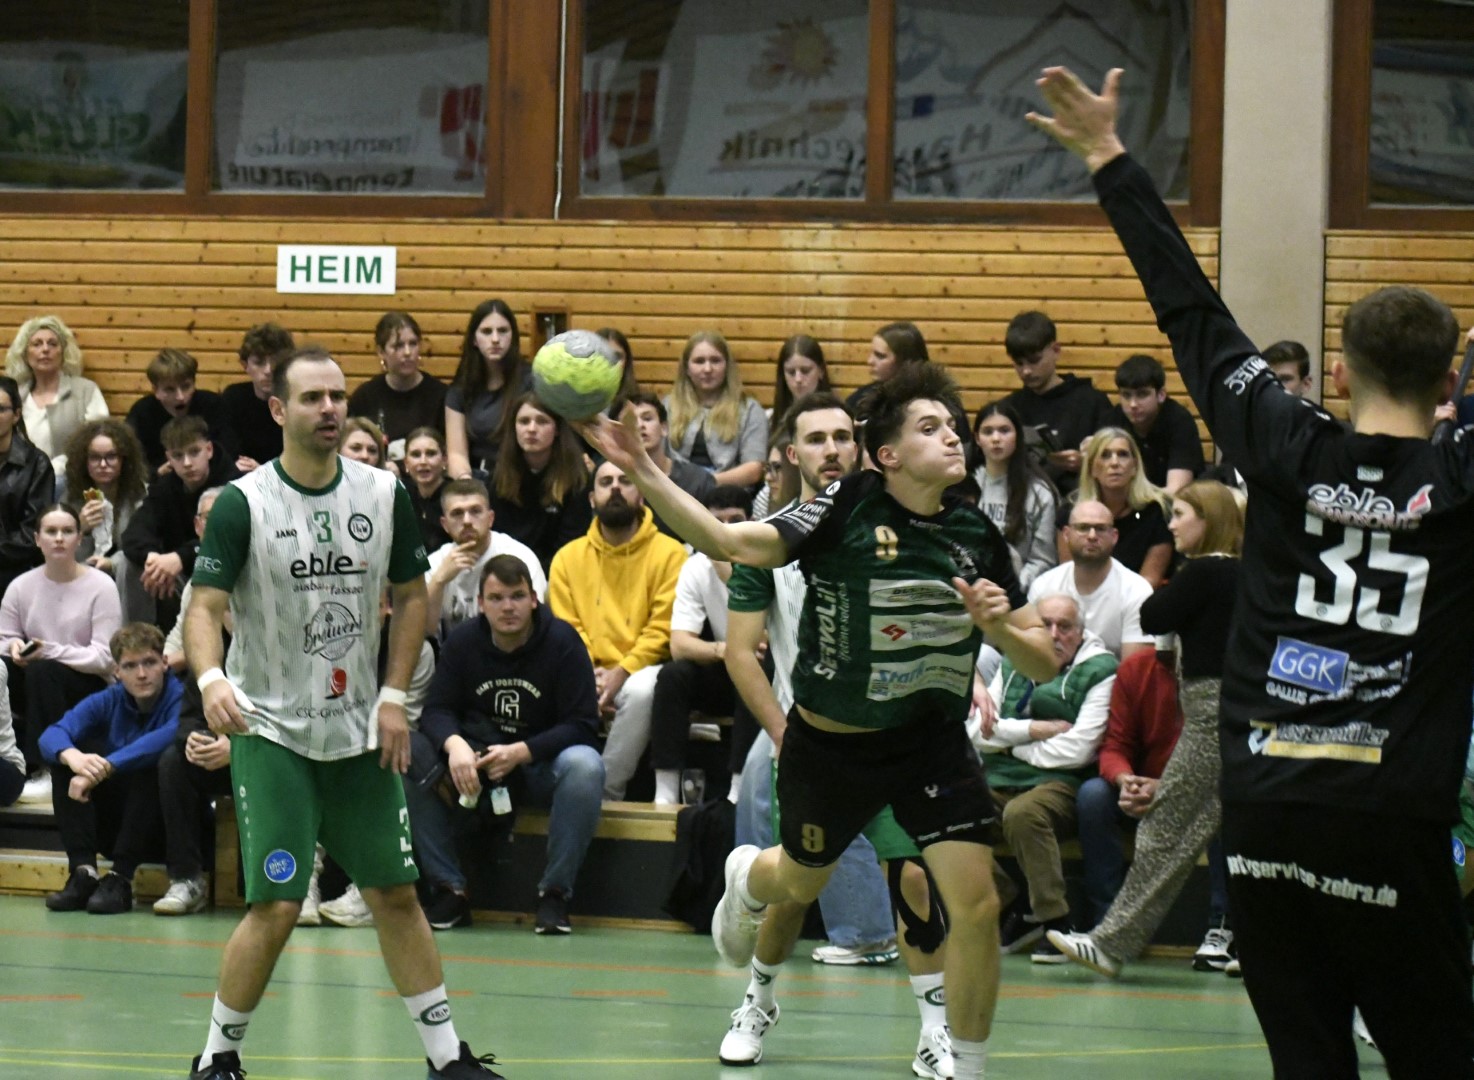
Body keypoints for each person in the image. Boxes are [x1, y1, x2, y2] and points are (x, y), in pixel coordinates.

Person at [1031, 65, 1474, 1075]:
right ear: (1449, 379)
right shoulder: (1457, 480)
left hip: (1267, 808)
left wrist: (1109, 158)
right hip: (1392, 817)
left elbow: (1189, 310)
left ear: (1341, 371)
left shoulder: (1281, 441)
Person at [578, 363, 1058, 1080]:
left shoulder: (974, 533)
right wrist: (645, 469)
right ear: (887, 455)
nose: (953, 437)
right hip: (830, 748)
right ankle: (748, 878)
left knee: (976, 903)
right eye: (930, 427)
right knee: (798, 886)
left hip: (929, 745)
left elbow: (1042, 660)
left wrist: (1000, 630)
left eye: (951, 426)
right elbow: (729, 543)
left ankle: (965, 1063)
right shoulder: (843, 509)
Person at [183, 346, 500, 1079]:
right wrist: (209, 677)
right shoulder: (243, 503)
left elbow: (412, 596)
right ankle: (217, 1060)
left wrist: (393, 697)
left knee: (394, 892)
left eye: (336, 396)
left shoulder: (384, 493)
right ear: (277, 409)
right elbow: (203, 607)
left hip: (359, 731)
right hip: (271, 730)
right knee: (277, 905)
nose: (329, 409)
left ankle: (447, 1060)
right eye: (311, 397)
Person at [1048, 479, 1243, 977]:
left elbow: (1154, 614)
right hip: (1245, 713)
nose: (1171, 526)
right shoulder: (1249, 574)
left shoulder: (1205, 571)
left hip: (1210, 715)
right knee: (1236, 830)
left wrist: (1173, 592)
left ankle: (1111, 942)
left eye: (1179, 515)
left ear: (1208, 521)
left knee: (1164, 829)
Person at [407, 554, 604, 934]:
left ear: (534, 599)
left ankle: (555, 894)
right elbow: (436, 711)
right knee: (406, 755)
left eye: (517, 596)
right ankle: (449, 889)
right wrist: (456, 746)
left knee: (586, 766)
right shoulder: (464, 642)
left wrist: (522, 752)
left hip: (538, 765)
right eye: (497, 598)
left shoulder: (563, 642)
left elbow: (583, 724)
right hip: (476, 766)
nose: (508, 607)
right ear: (481, 604)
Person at [978, 594, 1117, 963]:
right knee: (945, 807)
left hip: (1060, 784)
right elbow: (977, 729)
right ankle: (1009, 898)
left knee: (1024, 814)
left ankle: (1056, 921)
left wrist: (1009, 745)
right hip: (998, 780)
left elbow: (1077, 750)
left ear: (1081, 632)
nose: (1054, 635)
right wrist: (1032, 730)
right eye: (1046, 625)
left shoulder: (1101, 670)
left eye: (1065, 627)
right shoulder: (1013, 660)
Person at [548, 459, 687, 802]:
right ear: (591, 499)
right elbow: (567, 628)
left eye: (625, 481)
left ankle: (605, 791)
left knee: (643, 690)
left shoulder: (671, 554)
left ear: (642, 495)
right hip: (585, 671)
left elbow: (663, 628)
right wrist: (590, 677)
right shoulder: (566, 558)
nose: (614, 488)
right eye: (605, 481)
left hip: (639, 670)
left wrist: (621, 672)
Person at [39, 622, 178, 915]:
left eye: (150, 663)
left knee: (155, 763)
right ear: (117, 672)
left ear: (165, 663)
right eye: (130, 666)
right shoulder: (110, 699)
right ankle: (83, 872)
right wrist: (73, 757)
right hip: (117, 825)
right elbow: (52, 734)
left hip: (166, 830)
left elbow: (168, 736)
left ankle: (120, 878)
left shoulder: (181, 697)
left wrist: (107, 766)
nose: (142, 674)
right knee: (66, 762)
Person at [2, 503, 121, 802]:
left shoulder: (101, 585)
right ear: (37, 539)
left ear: (79, 539)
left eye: (67, 531)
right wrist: (14, 647)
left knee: (44, 670)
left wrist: (50, 651)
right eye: (51, 531)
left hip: (90, 683)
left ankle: (48, 767)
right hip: (37, 676)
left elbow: (105, 658)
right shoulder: (20, 586)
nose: (58, 538)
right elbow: (4, 637)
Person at [649, 485, 756, 806]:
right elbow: (680, 645)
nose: (725, 530)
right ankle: (665, 791)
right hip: (726, 664)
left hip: (764, 672)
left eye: (735, 520)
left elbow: (765, 642)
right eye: (716, 522)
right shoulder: (695, 567)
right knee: (673, 675)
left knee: (754, 670)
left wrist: (730, 574)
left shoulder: (771, 562)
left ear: (753, 522)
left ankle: (737, 790)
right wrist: (723, 650)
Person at [120, 415, 240, 631]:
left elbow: (229, 537)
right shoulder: (165, 487)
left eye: (194, 452)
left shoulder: (235, 484)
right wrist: (153, 559)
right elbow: (134, 532)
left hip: (223, 577)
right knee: (129, 563)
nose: (187, 463)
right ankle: (138, 638)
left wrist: (180, 557)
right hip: (174, 578)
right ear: (168, 458)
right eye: (178, 456)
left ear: (209, 450)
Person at [995, 310, 1114, 495]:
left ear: (1056, 350)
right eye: (1019, 363)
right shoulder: (1008, 408)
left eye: (1034, 361)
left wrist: (1088, 463)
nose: (1026, 371)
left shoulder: (1092, 402)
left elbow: (1117, 461)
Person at [1028, 500, 1154, 661]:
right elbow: (1028, 653)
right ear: (1066, 534)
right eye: (1083, 528)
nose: (1092, 536)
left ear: (1114, 536)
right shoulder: (1043, 586)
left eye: (1100, 529)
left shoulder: (1137, 591)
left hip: (1111, 676)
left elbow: (1134, 669)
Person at [425, 478, 546, 639]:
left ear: (490, 519)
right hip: (454, 652)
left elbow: (536, 622)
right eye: (457, 513)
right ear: (445, 524)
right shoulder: (435, 563)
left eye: (475, 511)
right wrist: (439, 581)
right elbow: (423, 631)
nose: (467, 521)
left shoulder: (520, 556)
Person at [487, 393, 592, 574]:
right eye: (524, 421)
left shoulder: (576, 479)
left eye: (542, 421)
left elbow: (571, 545)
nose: (531, 429)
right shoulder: (499, 477)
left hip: (558, 572)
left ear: (557, 429)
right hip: (507, 573)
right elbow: (496, 538)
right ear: (514, 428)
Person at [1060, 427, 1173, 587]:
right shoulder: (1071, 510)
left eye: (1123, 454)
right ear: (1092, 468)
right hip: (1082, 595)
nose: (1114, 463)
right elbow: (1069, 575)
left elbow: (1149, 582)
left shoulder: (1158, 510)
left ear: (1135, 466)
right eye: (1105, 455)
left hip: (1138, 598)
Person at [664, 331, 768, 489]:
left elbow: (754, 469)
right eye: (699, 361)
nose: (707, 369)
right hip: (675, 491)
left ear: (727, 366)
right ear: (686, 368)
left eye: (715, 361)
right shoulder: (667, 406)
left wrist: (704, 484)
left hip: (727, 493)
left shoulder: (750, 410)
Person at [5, 314, 108, 473]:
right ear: (25, 354)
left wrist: (56, 468)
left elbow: (99, 438)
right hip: (21, 477)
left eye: (52, 344)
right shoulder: (14, 395)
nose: (45, 349)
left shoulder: (85, 391)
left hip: (71, 476)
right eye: (37, 344)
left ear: (63, 352)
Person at [972, 401, 1058, 591]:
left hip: (1017, 593)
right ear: (977, 438)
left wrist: (1012, 589)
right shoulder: (964, 486)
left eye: (1004, 431)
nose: (996, 438)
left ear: (1018, 436)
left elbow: (1043, 560)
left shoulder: (1039, 493)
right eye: (988, 432)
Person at [446, 299, 530, 479]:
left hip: (522, 477)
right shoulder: (461, 388)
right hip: (477, 478)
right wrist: (467, 483)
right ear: (474, 340)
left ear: (513, 337)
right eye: (486, 332)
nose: (495, 339)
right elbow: (456, 454)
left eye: (503, 331)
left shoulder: (531, 381)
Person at [348, 311, 448, 461]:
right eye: (398, 346)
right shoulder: (364, 397)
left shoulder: (441, 396)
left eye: (413, 344)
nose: (407, 352)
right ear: (381, 352)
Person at [1106, 353, 1203, 493]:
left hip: (1171, 503)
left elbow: (1177, 490)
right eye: (1126, 395)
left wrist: (1137, 501)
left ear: (1161, 395)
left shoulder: (1179, 420)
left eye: (1142, 394)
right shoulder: (1113, 418)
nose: (1133, 404)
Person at [126, 348, 231, 474]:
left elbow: (229, 449)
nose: (180, 397)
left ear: (194, 384)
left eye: (186, 386)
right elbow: (131, 459)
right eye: (170, 389)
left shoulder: (212, 404)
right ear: (156, 390)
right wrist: (156, 472)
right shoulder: (142, 412)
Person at [0, 374, 57, 601]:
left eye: (1, 409)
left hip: (15, 568)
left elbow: (32, 533)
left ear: (16, 415)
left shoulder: (37, 464)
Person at [627, 392, 716, 531]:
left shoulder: (697, 481)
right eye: (632, 421)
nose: (640, 425)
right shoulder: (613, 481)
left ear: (664, 428)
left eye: (647, 418)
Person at [219, 322, 292, 472]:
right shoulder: (233, 398)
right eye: (259, 363)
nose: (268, 370)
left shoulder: (295, 400)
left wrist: (263, 471)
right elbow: (228, 451)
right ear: (245, 365)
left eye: (275, 362)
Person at [845, 321, 929, 421]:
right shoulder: (863, 397)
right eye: (872, 353)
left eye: (880, 356)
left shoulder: (930, 402)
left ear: (905, 362)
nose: (870, 361)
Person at [403, 426, 453, 554]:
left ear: (444, 460)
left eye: (431, 454)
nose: (423, 461)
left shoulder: (457, 497)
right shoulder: (402, 497)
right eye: (416, 455)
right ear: (406, 463)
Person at [769, 334, 830, 422]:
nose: (798, 379)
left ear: (821, 371)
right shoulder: (769, 420)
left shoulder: (838, 418)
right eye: (791, 372)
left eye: (805, 371)